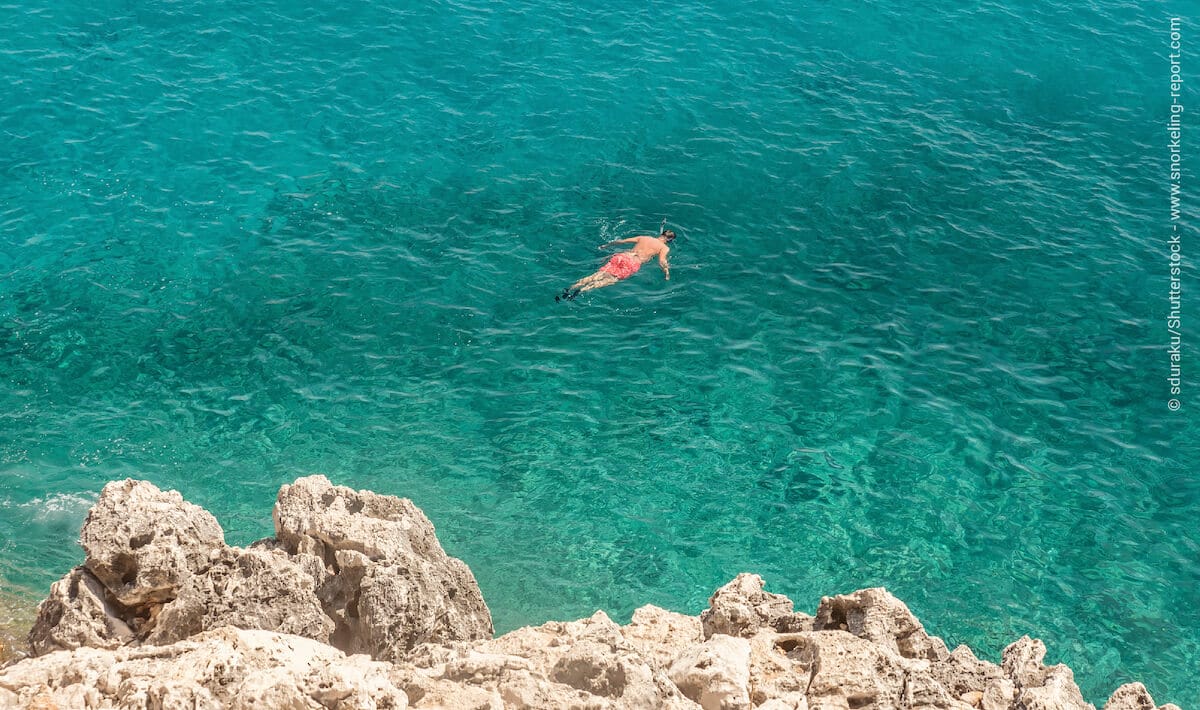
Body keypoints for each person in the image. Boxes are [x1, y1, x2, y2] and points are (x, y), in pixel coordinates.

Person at [556, 228, 676, 302]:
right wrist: (667, 273)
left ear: (662, 234)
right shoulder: (664, 248)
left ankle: (569, 289)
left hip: (622, 256)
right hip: (633, 263)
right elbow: (662, 261)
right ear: (669, 240)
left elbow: (623, 241)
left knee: (597, 275)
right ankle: (580, 291)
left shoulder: (644, 237)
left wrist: (607, 245)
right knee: (610, 280)